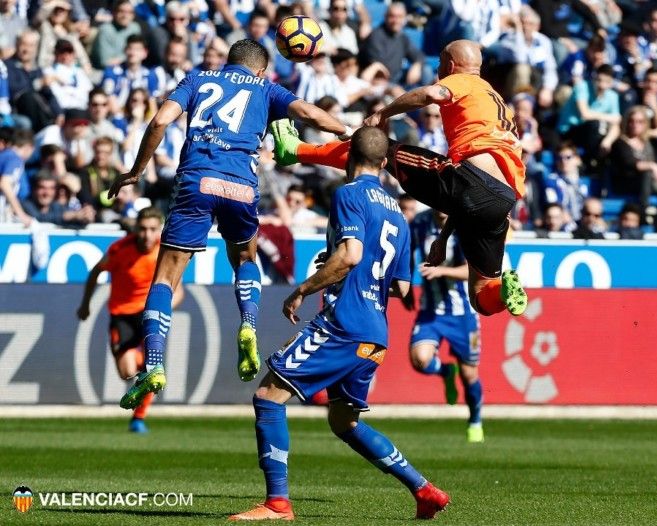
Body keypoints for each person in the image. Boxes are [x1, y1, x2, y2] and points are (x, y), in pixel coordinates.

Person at [107, 39, 349, 409]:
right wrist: (346, 131)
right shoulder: (267, 88)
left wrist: (136, 171)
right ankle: (248, 323)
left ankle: (153, 365)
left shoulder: (197, 80)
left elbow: (159, 121)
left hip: (197, 180)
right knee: (246, 259)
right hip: (241, 185)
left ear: (227, 62)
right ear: (261, 69)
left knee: (165, 278)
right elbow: (309, 114)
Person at [229, 126, 449, 522]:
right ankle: (423, 489)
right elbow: (400, 286)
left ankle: (277, 503)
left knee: (268, 397)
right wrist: (344, 268)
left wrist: (303, 289)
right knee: (344, 421)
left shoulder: (349, 194)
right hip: (376, 332)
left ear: (348, 157)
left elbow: (350, 256)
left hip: (344, 324)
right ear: (384, 163)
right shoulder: (399, 214)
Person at [272, 39, 528, 318]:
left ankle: (295, 150)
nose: (437, 68)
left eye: (440, 62)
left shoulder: (463, 81)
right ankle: (503, 292)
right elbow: (471, 197)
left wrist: (383, 113)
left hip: (470, 180)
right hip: (502, 200)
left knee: (374, 147)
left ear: (450, 65)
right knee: (481, 295)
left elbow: (432, 93)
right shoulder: (497, 100)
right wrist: (443, 238)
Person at [77, 207, 184, 433]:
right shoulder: (119, 249)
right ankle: (145, 367)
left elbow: (178, 291)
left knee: (152, 370)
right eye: (143, 229)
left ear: (160, 230)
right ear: (136, 228)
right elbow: (96, 271)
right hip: (123, 316)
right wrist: (85, 304)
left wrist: (161, 310)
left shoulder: (165, 252)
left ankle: (139, 418)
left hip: (149, 316)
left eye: (152, 229)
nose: (147, 235)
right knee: (127, 372)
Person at [409, 209, 484, 442]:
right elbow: (406, 252)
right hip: (431, 310)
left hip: (463, 313)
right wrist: (405, 286)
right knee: (420, 360)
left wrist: (441, 270)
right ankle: (446, 371)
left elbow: (475, 269)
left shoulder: (466, 225)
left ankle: (475, 421)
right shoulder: (420, 223)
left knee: (469, 374)